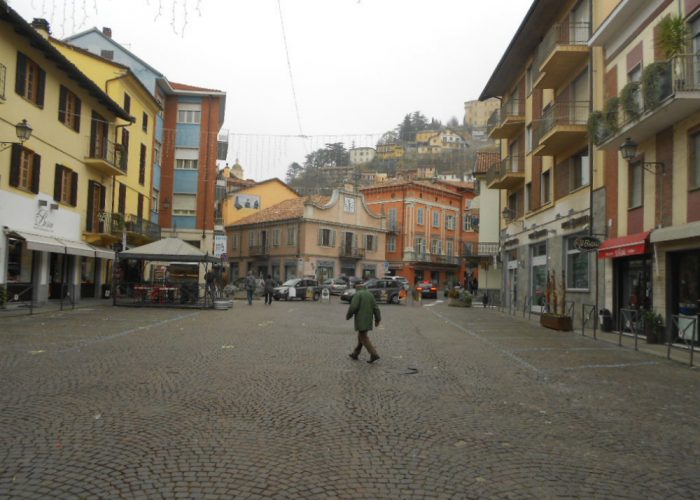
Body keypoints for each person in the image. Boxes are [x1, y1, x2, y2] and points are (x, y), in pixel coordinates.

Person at [346, 281, 382, 363]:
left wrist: (348, 315)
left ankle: (374, 354)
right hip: (368, 319)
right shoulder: (370, 295)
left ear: (357, 288)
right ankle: (355, 353)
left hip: (360, 319)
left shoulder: (358, 294)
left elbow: (353, 307)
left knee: (363, 337)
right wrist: (377, 319)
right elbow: (376, 308)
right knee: (361, 336)